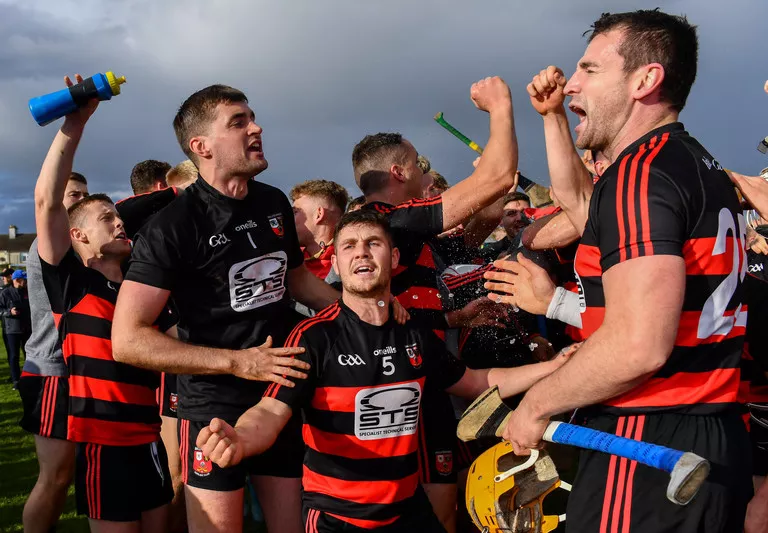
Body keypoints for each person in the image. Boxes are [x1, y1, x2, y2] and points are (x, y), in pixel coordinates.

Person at [495, 10, 752, 532]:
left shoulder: (642, 172)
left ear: (645, 80)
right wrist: (551, 119)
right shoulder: (694, 163)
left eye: (590, 69)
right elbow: (581, 208)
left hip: (647, 438)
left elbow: (639, 345)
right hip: (707, 435)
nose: (572, 83)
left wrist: (536, 405)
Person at [194, 210, 567, 532]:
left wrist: (555, 367)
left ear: (393, 257)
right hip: (338, 518)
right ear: (337, 264)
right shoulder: (314, 337)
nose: (361, 252)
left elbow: (475, 382)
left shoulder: (414, 331)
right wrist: (240, 437)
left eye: (373, 243)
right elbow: (270, 412)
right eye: (349, 245)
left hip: (408, 509)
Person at [111, 84, 343, 533]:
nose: (255, 128)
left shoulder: (274, 201)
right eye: (238, 122)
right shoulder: (172, 227)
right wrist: (238, 363)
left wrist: (361, 317)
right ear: (201, 147)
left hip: (279, 394)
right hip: (214, 406)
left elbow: (298, 282)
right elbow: (127, 340)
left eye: (252, 117)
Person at [351, 76, 519, 531]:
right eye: (418, 168)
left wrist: (453, 316)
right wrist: (501, 107)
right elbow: (499, 178)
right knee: (433, 507)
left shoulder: (399, 227)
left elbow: (403, 301)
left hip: (426, 375)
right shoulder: (385, 223)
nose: (428, 178)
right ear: (400, 175)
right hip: (403, 383)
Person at [33, 74, 178, 531]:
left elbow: (176, 343)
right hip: (104, 446)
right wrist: (74, 124)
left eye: (118, 216)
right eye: (106, 218)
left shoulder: (144, 287)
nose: (119, 223)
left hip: (150, 439)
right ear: (78, 236)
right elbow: (45, 202)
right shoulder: (71, 282)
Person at [18, 171, 88, 533]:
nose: (82, 201)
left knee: (74, 473)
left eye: (85, 195)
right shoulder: (50, 243)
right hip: (51, 372)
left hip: (78, 370)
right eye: (74, 195)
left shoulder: (76, 242)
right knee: (56, 476)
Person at [290, 179, 349, 280]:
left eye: (295, 212)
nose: (288, 219)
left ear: (319, 214)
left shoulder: (351, 259)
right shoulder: (289, 260)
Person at [0, 270, 31, 389]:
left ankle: (29, 377)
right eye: (24, 279)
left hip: (26, 328)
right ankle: (16, 380)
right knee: (14, 356)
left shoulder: (27, 291)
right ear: (17, 280)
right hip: (12, 330)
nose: (26, 282)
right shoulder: (5, 293)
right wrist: (9, 312)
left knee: (29, 355)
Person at [480, 192, 531, 261]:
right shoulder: (491, 252)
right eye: (511, 213)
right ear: (501, 220)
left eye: (525, 212)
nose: (520, 218)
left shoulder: (544, 245)